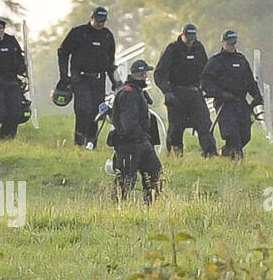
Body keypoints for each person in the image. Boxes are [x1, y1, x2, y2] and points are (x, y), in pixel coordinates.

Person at [57, 6, 117, 149]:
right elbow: (62, 52)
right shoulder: (78, 33)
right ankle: (79, 143)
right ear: (92, 18)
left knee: (97, 112)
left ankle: (91, 143)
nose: (101, 23)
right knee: (83, 109)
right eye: (98, 20)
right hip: (81, 78)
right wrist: (65, 76)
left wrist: (116, 82)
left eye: (103, 21)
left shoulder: (107, 36)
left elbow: (110, 62)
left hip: (99, 79)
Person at [153, 23, 215, 157]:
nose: (190, 41)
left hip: (195, 93)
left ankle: (210, 154)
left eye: (192, 37)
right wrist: (166, 91)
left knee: (205, 124)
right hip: (177, 94)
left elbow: (206, 70)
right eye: (188, 37)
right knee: (176, 128)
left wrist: (208, 88)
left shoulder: (199, 48)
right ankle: (175, 155)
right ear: (181, 35)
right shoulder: (172, 49)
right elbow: (159, 73)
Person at [201, 29, 262, 160]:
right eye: (229, 43)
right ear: (222, 43)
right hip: (225, 105)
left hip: (241, 103)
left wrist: (257, 96)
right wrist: (221, 94)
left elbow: (250, 81)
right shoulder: (216, 61)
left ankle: (224, 152)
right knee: (232, 134)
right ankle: (238, 162)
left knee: (245, 135)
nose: (231, 46)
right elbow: (205, 83)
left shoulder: (241, 60)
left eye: (233, 43)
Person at [109, 60, 163, 204]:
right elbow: (128, 122)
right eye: (144, 73)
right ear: (140, 74)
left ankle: (152, 207)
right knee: (126, 181)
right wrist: (141, 137)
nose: (146, 76)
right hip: (129, 145)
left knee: (155, 174)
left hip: (141, 143)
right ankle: (117, 210)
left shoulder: (136, 91)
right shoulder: (129, 93)